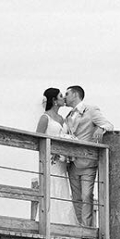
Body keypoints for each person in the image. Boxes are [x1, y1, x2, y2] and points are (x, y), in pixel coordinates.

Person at [63, 85, 114, 227]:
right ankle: (79, 225)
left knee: (87, 195)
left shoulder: (90, 110)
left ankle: (87, 227)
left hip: (88, 161)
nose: (64, 97)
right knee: (76, 197)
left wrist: (100, 128)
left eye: (67, 94)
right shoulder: (68, 116)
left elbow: (109, 124)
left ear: (75, 95)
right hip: (72, 161)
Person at [35, 88, 80, 226]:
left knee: (62, 189)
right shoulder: (45, 118)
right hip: (51, 160)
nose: (63, 98)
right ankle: (48, 222)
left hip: (62, 162)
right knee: (51, 187)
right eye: (61, 96)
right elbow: (37, 140)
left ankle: (64, 223)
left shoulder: (62, 119)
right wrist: (52, 153)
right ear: (54, 100)